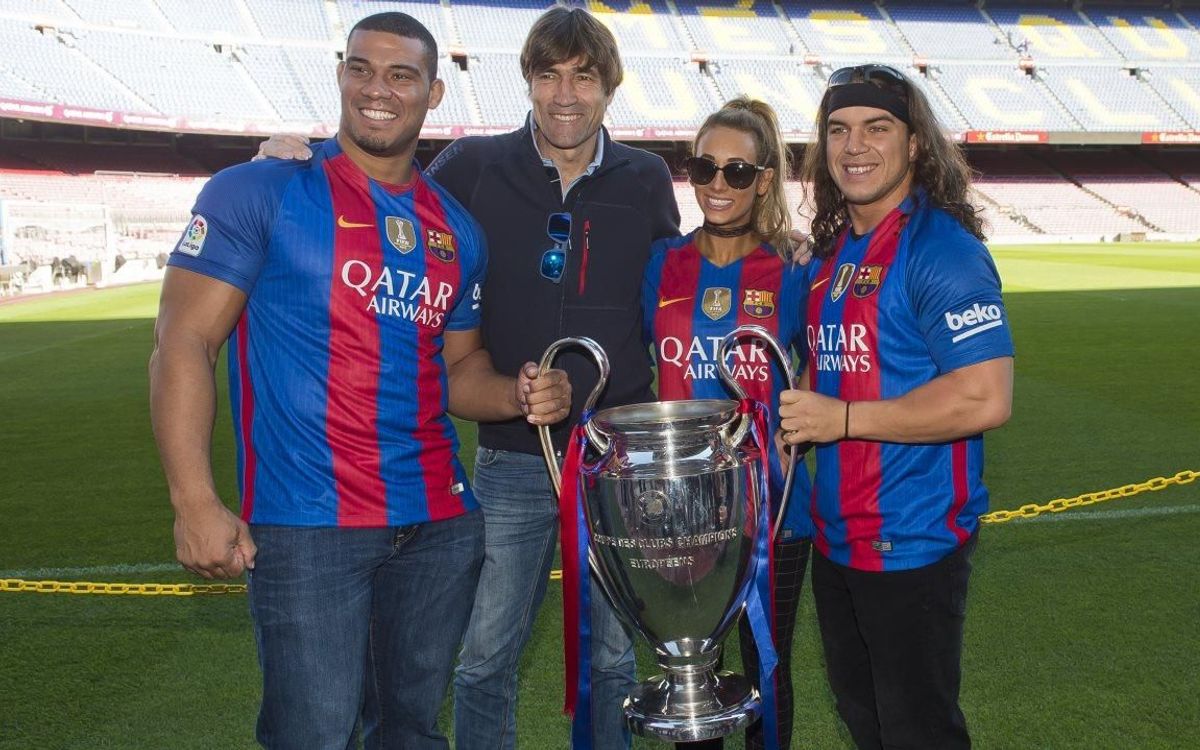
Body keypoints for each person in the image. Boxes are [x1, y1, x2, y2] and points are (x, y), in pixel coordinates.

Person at [257, 7, 679, 748]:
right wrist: (297, 157)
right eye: (548, 74)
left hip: (617, 463)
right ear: (527, 80)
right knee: (485, 654)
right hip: (513, 458)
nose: (565, 94)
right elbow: (381, 184)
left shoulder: (645, 178)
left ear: (610, 88)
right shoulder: (475, 164)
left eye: (584, 76)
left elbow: (669, 301)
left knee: (615, 653)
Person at [149, 13, 571, 749]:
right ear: (342, 76)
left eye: (401, 74)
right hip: (309, 525)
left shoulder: (457, 231)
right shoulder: (260, 191)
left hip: (440, 525)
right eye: (361, 68)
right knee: (312, 733)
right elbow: (184, 342)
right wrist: (194, 500)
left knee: (410, 730)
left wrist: (520, 393)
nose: (379, 88)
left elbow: (459, 370)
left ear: (434, 93)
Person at [778, 64, 1014, 749]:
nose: (855, 145)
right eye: (838, 130)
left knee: (918, 733)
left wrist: (843, 420)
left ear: (915, 145)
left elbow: (984, 395)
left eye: (877, 128)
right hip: (838, 537)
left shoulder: (943, 251)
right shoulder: (830, 256)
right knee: (867, 722)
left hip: (913, 543)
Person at [641, 98, 813, 750]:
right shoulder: (661, 264)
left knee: (769, 667)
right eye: (704, 168)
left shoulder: (795, 269)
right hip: (679, 508)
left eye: (737, 172)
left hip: (776, 505)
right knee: (693, 673)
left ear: (765, 179)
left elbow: (824, 380)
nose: (717, 185)